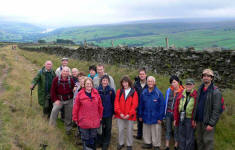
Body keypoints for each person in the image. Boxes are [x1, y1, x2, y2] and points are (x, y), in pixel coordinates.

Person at [194, 69, 222, 150]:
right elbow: (196, 105)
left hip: (207, 122)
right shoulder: (200, 89)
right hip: (198, 121)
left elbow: (217, 110)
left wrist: (211, 123)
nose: (206, 77)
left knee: (208, 142)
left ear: (211, 78)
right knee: (199, 141)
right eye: (204, 76)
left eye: (208, 76)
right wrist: (194, 119)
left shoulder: (216, 92)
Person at [73, 78, 103, 150]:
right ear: (84, 85)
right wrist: (75, 118)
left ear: (92, 85)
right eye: (87, 84)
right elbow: (75, 108)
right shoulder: (80, 95)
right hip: (84, 121)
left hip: (94, 120)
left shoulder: (96, 94)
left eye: (90, 84)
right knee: (85, 138)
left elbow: (100, 106)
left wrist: (100, 116)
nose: (89, 85)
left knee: (93, 138)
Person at [139, 76, 164, 150]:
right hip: (146, 115)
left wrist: (160, 117)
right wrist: (140, 115)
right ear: (147, 82)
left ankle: (156, 145)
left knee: (156, 131)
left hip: (155, 117)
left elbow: (162, 106)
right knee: (146, 131)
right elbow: (141, 105)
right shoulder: (144, 92)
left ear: (154, 82)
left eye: (151, 81)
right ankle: (148, 143)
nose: (150, 83)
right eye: (148, 81)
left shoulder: (158, 93)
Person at [114, 76, 138, 150]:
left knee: (129, 130)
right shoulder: (119, 91)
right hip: (120, 115)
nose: (125, 84)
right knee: (120, 130)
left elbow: (135, 105)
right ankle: (121, 143)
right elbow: (116, 103)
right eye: (123, 82)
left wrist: (129, 114)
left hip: (130, 116)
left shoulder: (134, 92)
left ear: (129, 83)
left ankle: (129, 144)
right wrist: (120, 113)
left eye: (126, 82)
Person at [49, 66, 75, 135]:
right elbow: (52, 91)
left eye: (67, 71)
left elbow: (74, 87)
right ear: (61, 71)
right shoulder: (56, 79)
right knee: (54, 111)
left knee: (69, 115)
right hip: (59, 100)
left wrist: (75, 88)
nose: (65, 73)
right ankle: (51, 126)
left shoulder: (71, 80)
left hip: (69, 100)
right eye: (64, 71)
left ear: (68, 72)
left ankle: (68, 129)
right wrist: (55, 100)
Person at [174, 78, 197, 150]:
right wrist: (175, 119)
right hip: (181, 117)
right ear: (185, 85)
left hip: (190, 119)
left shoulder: (196, 95)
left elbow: (197, 109)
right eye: (187, 84)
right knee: (181, 135)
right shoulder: (181, 93)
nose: (188, 86)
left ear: (193, 85)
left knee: (189, 137)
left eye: (190, 84)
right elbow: (176, 107)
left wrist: (195, 119)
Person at [164, 75, 184, 150]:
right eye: (172, 82)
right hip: (168, 112)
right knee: (168, 129)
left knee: (176, 130)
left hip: (177, 114)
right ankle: (167, 145)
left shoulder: (182, 91)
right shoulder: (169, 90)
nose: (173, 84)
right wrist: (164, 112)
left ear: (178, 82)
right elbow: (166, 101)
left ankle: (176, 145)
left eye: (174, 82)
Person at [97, 75, 116, 150]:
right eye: (103, 80)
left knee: (108, 128)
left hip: (108, 113)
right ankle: (100, 141)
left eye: (106, 80)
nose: (105, 82)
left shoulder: (111, 91)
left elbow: (114, 102)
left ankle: (106, 142)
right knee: (100, 128)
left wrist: (114, 113)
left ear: (108, 82)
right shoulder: (97, 90)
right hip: (100, 113)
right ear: (101, 81)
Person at [133, 67, 148, 140]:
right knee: (139, 120)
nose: (141, 75)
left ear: (146, 75)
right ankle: (139, 135)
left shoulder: (149, 83)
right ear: (138, 75)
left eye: (143, 74)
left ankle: (146, 137)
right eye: (140, 74)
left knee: (146, 122)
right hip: (138, 106)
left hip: (147, 106)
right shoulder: (136, 84)